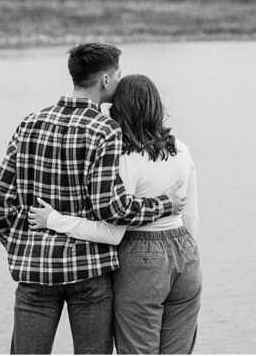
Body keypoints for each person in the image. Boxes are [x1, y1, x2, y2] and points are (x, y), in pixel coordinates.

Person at [0, 44, 186, 355]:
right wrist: (165, 204)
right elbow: (112, 208)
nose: (121, 82)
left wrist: (21, 246)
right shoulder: (106, 131)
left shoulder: (29, 123)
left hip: (35, 271)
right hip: (90, 272)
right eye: (119, 75)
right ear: (106, 80)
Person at [28, 74, 201, 355]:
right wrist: (183, 258)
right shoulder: (180, 149)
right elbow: (191, 218)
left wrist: (54, 220)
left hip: (143, 259)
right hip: (187, 257)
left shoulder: (124, 157)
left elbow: (113, 231)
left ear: (119, 109)